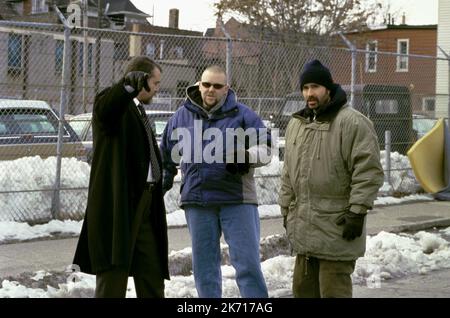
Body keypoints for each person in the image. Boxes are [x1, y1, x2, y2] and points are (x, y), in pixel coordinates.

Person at [160, 65, 270, 298]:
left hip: (236, 199)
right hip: (197, 201)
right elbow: (166, 153)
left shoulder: (243, 115)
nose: (211, 90)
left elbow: (267, 148)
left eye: (217, 86)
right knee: (204, 268)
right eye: (207, 84)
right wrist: (165, 177)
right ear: (199, 85)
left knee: (248, 265)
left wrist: (247, 156)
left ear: (226, 89)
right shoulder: (181, 116)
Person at [278, 59, 384, 298]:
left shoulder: (352, 122)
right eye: (305, 88)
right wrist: (285, 208)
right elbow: (288, 171)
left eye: (315, 86)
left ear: (328, 88)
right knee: (303, 292)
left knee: (333, 293)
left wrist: (357, 212)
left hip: (337, 227)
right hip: (304, 229)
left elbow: (368, 171)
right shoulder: (297, 124)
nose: (309, 93)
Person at [73, 56, 169, 298]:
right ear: (141, 80)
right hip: (120, 206)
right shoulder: (114, 104)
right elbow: (107, 111)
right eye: (155, 83)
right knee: (113, 280)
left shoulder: (139, 111)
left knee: (152, 275)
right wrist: (126, 86)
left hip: (146, 205)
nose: (157, 88)